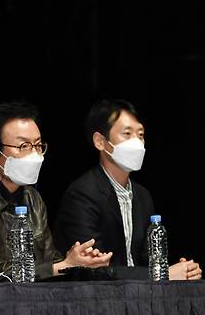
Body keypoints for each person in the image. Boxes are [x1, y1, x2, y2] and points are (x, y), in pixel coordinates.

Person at [0, 101, 111, 279]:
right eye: (23, 146)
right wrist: (58, 267)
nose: (34, 154)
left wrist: (76, 262)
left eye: (38, 145)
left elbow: (48, 261)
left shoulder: (32, 198)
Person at [53, 99, 201, 280]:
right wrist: (163, 274)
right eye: (127, 133)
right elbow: (95, 268)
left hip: (139, 297)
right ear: (100, 141)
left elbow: (148, 261)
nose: (137, 142)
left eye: (140, 134)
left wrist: (181, 271)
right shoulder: (82, 194)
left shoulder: (142, 195)